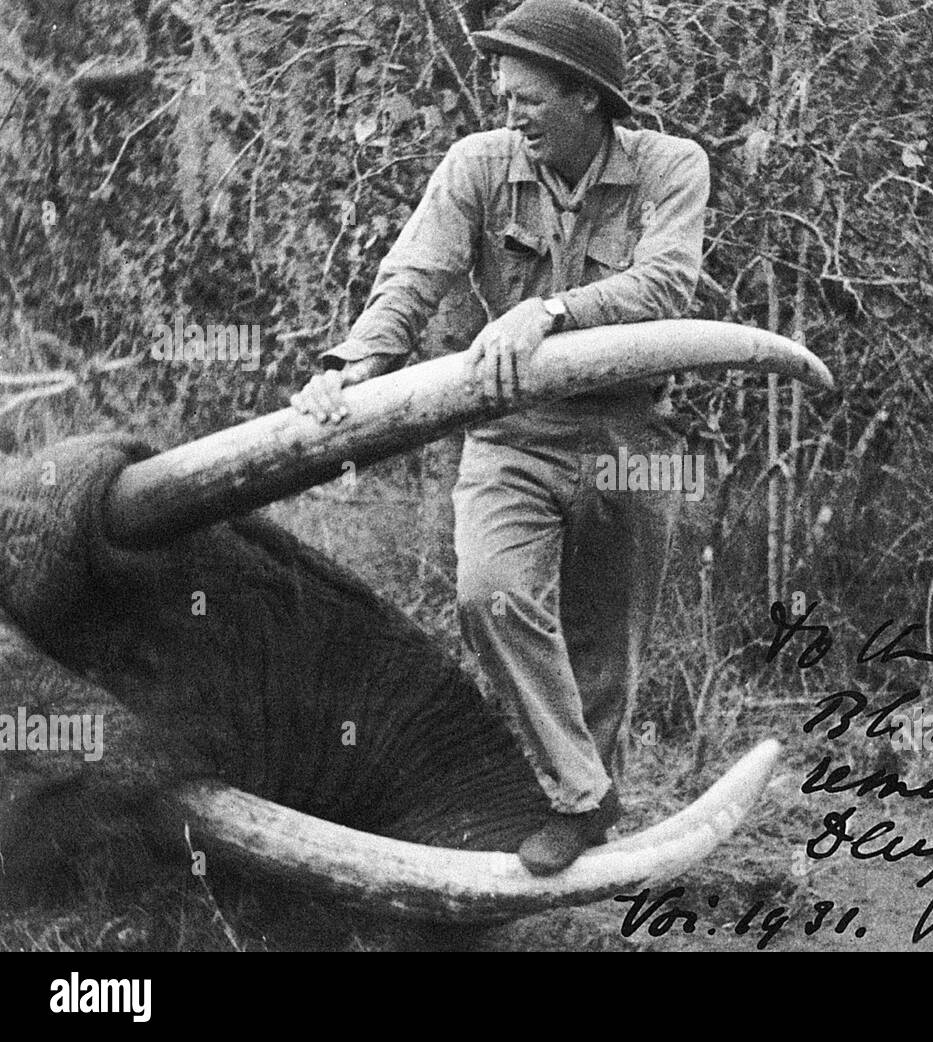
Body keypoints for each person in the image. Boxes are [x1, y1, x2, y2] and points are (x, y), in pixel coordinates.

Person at [291, 0, 709, 875]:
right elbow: (414, 273)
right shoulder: (477, 166)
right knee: (492, 596)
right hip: (512, 436)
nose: (510, 113)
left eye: (529, 98)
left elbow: (668, 284)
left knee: (606, 650)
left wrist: (549, 310)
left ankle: (586, 836)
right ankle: (582, 795)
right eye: (504, 95)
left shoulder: (673, 168)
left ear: (588, 98)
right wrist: (356, 362)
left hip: (633, 436)